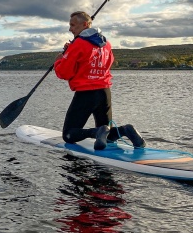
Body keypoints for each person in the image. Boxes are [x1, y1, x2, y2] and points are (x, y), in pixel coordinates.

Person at [54, 11, 146, 151]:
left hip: (86, 94)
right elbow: (109, 63)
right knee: (107, 134)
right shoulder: (106, 44)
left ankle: (96, 132)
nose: (70, 29)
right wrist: (70, 52)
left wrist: (60, 59)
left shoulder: (78, 44)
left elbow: (64, 73)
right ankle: (125, 130)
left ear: (85, 24)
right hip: (104, 92)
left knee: (68, 135)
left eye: (73, 25)